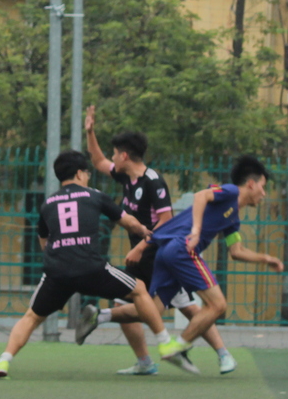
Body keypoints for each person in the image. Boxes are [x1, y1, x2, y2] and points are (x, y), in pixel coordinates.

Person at [0, 151, 180, 379]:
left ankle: (3, 361)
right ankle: (165, 342)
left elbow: (44, 242)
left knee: (31, 317)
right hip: (91, 268)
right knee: (139, 289)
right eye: (87, 173)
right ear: (79, 173)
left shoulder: (48, 203)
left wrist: (60, 255)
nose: (88, 176)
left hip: (57, 272)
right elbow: (128, 222)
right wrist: (145, 232)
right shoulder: (94, 195)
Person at [84, 106, 236, 375]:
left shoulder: (153, 181)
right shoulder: (125, 176)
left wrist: (143, 245)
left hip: (159, 253)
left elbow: (166, 220)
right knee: (125, 303)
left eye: (114, 153)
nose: (111, 158)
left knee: (187, 307)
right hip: (140, 255)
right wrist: (90, 132)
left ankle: (223, 354)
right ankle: (144, 361)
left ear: (124, 155)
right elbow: (98, 161)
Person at [103, 156, 284, 371]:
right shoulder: (231, 192)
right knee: (218, 305)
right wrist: (196, 231)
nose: (264, 193)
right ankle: (177, 347)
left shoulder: (233, 218)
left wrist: (266, 259)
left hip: (167, 252)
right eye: (263, 187)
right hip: (182, 249)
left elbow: (236, 251)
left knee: (153, 309)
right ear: (251, 184)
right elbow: (201, 196)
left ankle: (101, 316)